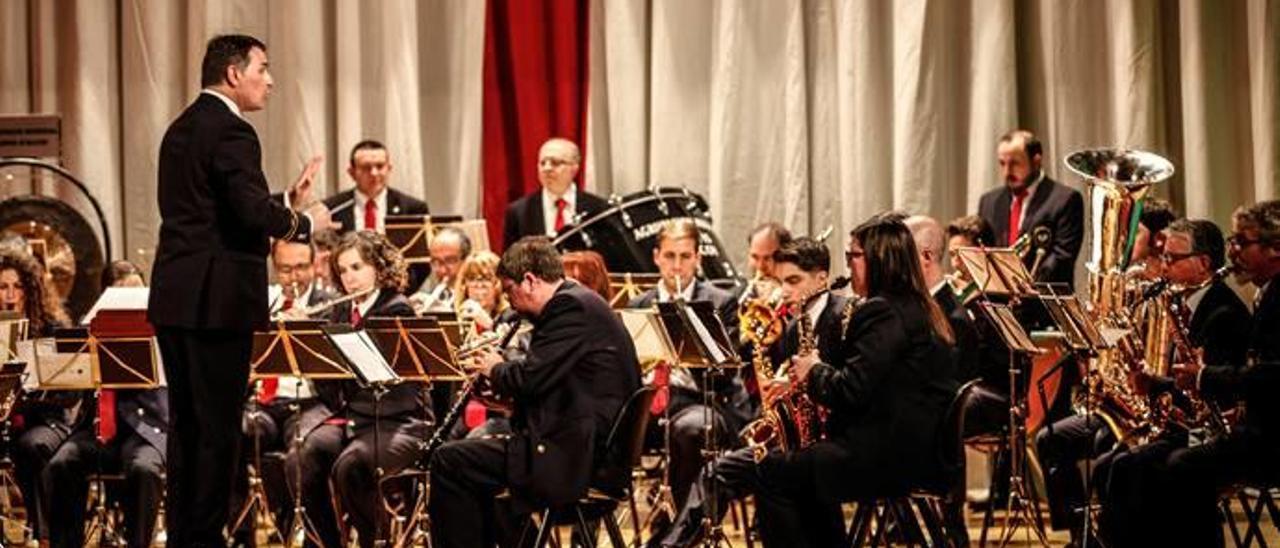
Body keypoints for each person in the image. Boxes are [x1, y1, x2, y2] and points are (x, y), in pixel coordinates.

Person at [657, 215, 957, 547]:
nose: (848, 265)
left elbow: (851, 390)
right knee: (792, 465)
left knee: (772, 471)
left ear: (877, 258)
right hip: (913, 451)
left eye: (852, 257)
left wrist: (812, 370)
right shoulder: (916, 307)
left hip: (887, 457)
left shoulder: (882, 312)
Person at [148, 34, 334, 547]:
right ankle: (205, 538)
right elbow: (250, 214)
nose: (270, 80)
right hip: (217, 302)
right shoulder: (234, 131)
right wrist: (303, 221)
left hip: (175, 296)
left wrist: (281, 199)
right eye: (263, 68)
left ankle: (187, 536)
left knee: (187, 428)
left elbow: (214, 208)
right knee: (218, 432)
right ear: (234, 73)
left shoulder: (180, 128)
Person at [429, 236, 641, 548]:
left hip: (579, 459)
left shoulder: (569, 307)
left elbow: (530, 376)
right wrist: (506, 402)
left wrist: (495, 367)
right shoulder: (578, 302)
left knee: (449, 461)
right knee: (474, 471)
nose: (509, 301)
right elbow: (556, 384)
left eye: (508, 290)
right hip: (581, 446)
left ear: (529, 281)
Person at [1133, 200, 1280, 547]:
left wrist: (1204, 376)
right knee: (1149, 464)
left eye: (1243, 242)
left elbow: (1274, 375)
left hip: (1272, 441)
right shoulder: (1266, 293)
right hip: (1258, 428)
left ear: (1275, 248)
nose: (1233, 251)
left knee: (1180, 467)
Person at [1096, 218, 1251, 546]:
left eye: (1172, 259)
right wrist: (1152, 383)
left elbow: (1217, 388)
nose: (1163, 266)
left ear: (1204, 263)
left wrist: (1160, 385)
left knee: (1131, 467)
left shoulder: (1223, 313)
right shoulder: (1182, 303)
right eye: (1163, 257)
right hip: (1183, 424)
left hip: (1206, 429)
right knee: (1110, 462)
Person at [285, 231, 433, 548]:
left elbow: (385, 381)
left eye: (357, 268)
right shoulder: (340, 312)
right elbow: (330, 386)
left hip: (398, 420)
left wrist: (328, 342)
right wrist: (307, 341)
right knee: (301, 459)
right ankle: (327, 540)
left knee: (351, 466)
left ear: (379, 268)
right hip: (354, 417)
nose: (350, 278)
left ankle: (374, 539)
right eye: (343, 271)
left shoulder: (397, 310)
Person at [627, 220, 750, 523]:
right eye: (669, 256)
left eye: (685, 257)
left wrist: (686, 328)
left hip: (702, 401)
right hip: (652, 404)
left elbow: (723, 376)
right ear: (656, 256)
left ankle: (681, 528)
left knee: (693, 430)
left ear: (698, 258)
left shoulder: (721, 303)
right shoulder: (639, 304)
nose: (677, 266)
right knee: (597, 424)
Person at [45, 268, 168, 548]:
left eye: (138, 292)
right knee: (61, 463)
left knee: (144, 469)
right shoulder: (91, 328)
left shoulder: (161, 330)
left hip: (147, 427)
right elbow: (72, 385)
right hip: (100, 427)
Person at [231, 240, 337, 546]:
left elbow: (338, 371)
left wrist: (308, 335)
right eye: (285, 269)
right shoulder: (259, 303)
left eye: (301, 267)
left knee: (302, 452)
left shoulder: (331, 304)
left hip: (310, 401)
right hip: (265, 401)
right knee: (231, 435)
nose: (293, 277)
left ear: (315, 265)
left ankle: (310, 535)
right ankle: (242, 533)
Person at [1, 247, 71, 543]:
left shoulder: (51, 329)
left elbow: (68, 393)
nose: (10, 295)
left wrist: (24, 399)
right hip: (5, 421)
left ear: (30, 290)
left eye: (17, 287)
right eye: (2, 287)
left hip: (46, 420)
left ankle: (44, 536)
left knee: (32, 446)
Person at [977, 129, 1084, 288]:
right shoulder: (989, 201)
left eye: (1015, 163)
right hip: (999, 302)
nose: (1007, 172)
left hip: (1042, 304)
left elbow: (1062, 258)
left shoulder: (1065, 199)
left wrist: (1022, 286)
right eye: (1002, 163)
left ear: (1036, 161)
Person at [323, 139, 431, 292]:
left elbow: (421, 263)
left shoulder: (413, 208)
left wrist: (400, 293)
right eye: (366, 167)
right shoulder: (333, 208)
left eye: (380, 166)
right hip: (346, 295)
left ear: (389, 168)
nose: (374, 173)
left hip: (397, 293)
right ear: (352, 172)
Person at [501, 138, 609, 249]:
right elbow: (510, 262)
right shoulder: (518, 212)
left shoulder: (598, 208)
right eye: (542, 163)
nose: (547, 168)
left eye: (555, 163)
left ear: (574, 168)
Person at [411, 226, 472, 313]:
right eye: (436, 261)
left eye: (450, 261)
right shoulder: (430, 286)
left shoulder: (477, 292)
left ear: (466, 260)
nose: (443, 270)